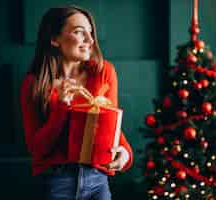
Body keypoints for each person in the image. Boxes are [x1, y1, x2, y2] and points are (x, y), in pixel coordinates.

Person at [20, 5, 133, 200]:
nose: (90, 41)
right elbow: (37, 149)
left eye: (90, 33)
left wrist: (125, 154)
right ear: (54, 39)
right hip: (55, 182)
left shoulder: (103, 72)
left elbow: (111, 125)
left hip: (98, 179)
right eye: (79, 32)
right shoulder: (34, 84)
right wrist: (62, 107)